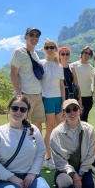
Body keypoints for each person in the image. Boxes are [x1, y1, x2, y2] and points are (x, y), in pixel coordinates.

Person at [0, 95, 49, 188]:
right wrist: (12, 178)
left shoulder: (34, 130)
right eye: (15, 108)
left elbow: (41, 151)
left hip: (30, 175)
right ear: (9, 109)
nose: (18, 112)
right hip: (3, 178)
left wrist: (33, 173)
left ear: (27, 112)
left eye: (23, 109)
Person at [50, 99, 95, 188]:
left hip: (84, 169)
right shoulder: (56, 133)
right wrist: (74, 175)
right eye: (68, 110)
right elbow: (58, 160)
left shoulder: (90, 130)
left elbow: (90, 156)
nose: (72, 113)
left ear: (80, 110)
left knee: (90, 186)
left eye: (75, 109)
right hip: (64, 170)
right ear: (64, 113)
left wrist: (80, 174)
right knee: (67, 185)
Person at [10, 27, 45, 133]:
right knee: (23, 123)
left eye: (37, 36)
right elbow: (13, 73)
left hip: (38, 94)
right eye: (31, 35)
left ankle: (37, 147)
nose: (34, 37)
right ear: (25, 37)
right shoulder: (19, 52)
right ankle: (23, 148)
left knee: (38, 124)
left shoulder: (36, 55)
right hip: (26, 94)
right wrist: (19, 95)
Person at [40, 39, 65, 170]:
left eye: (51, 47)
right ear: (44, 50)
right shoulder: (41, 63)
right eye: (46, 47)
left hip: (58, 99)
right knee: (49, 128)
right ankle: (47, 158)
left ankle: (59, 156)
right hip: (47, 98)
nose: (49, 49)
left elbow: (62, 85)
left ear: (55, 49)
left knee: (60, 128)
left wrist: (64, 102)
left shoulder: (59, 66)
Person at [70, 46, 95, 122]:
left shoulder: (91, 68)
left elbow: (94, 79)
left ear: (90, 56)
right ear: (82, 53)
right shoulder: (73, 65)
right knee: (73, 117)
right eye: (85, 53)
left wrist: (92, 89)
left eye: (89, 53)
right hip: (76, 96)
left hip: (87, 96)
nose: (87, 55)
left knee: (84, 119)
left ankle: (83, 133)